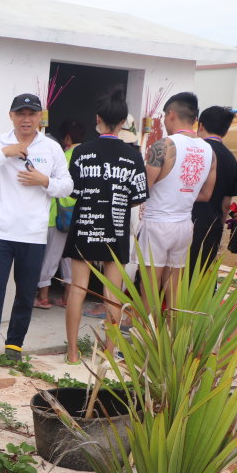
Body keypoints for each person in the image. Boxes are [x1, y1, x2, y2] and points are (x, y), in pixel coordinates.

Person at [0, 94, 73, 368]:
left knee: (26, 293)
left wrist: (44, 180)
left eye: (32, 114)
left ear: (40, 117)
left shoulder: (51, 148)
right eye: (20, 113)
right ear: (11, 115)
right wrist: (5, 154)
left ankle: (14, 346)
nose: (26, 119)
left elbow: (67, 186)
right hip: (2, 231)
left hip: (34, 234)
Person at [63, 88, 148, 364]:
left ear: (97, 118)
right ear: (124, 121)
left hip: (85, 225)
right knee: (112, 294)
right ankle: (109, 353)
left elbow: (72, 192)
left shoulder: (81, 152)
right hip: (116, 229)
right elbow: (137, 198)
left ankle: (73, 352)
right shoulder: (134, 157)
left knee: (78, 287)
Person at [137, 92, 217, 308]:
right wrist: (183, 195)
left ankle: (148, 336)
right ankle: (172, 337)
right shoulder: (209, 150)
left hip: (158, 223)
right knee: (174, 287)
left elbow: (143, 188)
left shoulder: (163, 146)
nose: (163, 120)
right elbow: (206, 194)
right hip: (184, 224)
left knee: (149, 288)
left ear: (171, 114)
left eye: (164, 116)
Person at [35, 119, 84, 309]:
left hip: (59, 212)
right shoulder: (87, 154)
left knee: (51, 255)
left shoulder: (66, 154)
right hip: (78, 213)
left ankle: (43, 296)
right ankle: (67, 297)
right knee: (69, 257)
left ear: (68, 137)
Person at [189, 106, 237, 274]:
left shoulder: (194, 150)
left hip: (185, 221)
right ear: (225, 130)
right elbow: (226, 204)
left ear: (200, 125)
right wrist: (219, 223)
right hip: (211, 226)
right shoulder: (231, 160)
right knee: (201, 277)